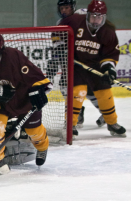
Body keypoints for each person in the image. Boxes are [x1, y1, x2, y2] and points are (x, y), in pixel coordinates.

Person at [0, 31, 53, 174]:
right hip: (3, 105)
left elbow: (32, 73)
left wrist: (38, 90)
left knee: (35, 131)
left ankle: (42, 147)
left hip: (24, 100)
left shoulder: (13, 57)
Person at [58, 0, 126, 137]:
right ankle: (70, 125)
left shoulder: (108, 30)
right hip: (77, 64)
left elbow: (110, 53)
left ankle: (112, 123)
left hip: (96, 66)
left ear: (104, 17)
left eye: (99, 17)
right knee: (78, 92)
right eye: (93, 16)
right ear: (87, 14)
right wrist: (61, 48)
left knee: (105, 92)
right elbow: (59, 30)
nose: (96, 20)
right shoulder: (75, 21)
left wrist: (108, 69)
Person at [50, 0, 105, 129]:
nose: (64, 10)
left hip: (88, 61)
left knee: (91, 90)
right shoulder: (60, 24)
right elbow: (57, 48)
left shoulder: (83, 15)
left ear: (73, 7)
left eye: (67, 8)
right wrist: (59, 56)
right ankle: (75, 115)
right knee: (65, 86)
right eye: (62, 8)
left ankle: (105, 113)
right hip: (72, 65)